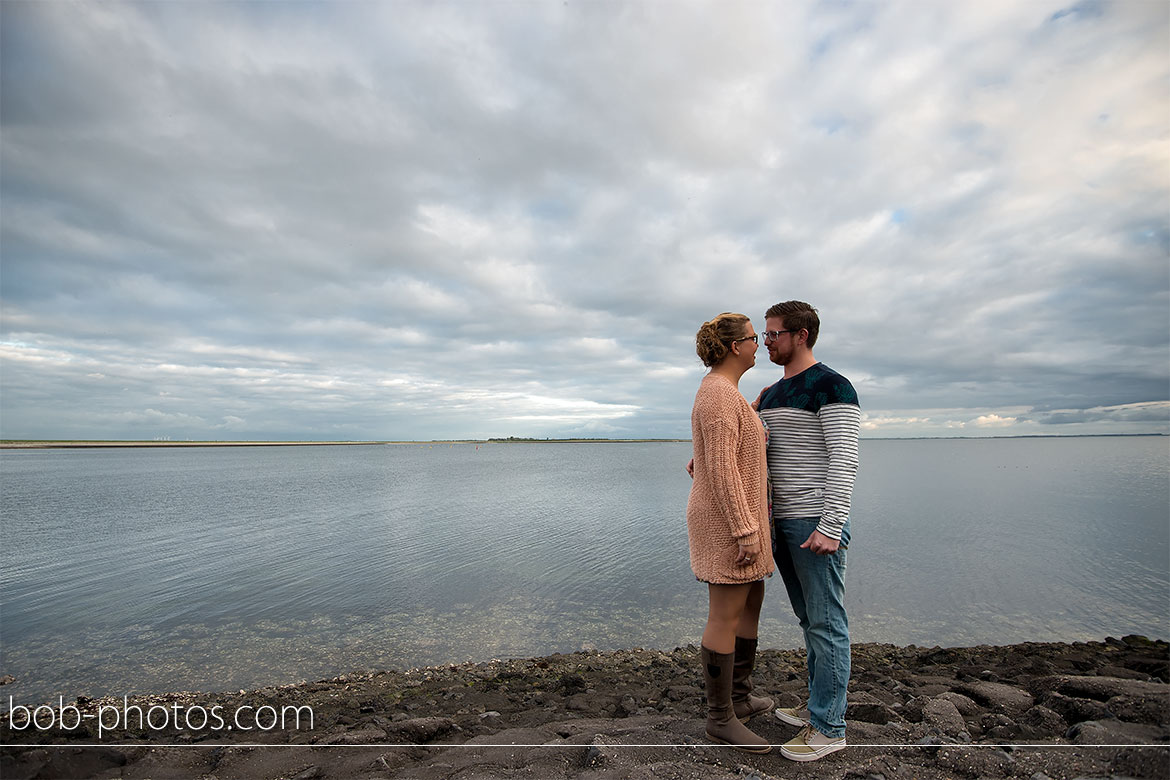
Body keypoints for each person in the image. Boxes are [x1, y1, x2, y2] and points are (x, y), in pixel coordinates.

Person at [754, 300, 860, 762]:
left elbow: (844, 459)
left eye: (773, 333)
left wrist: (831, 525)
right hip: (780, 520)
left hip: (815, 520)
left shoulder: (832, 386)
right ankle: (818, 706)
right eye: (763, 333)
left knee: (827, 622)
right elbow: (750, 444)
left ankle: (829, 728)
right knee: (809, 620)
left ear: (801, 335)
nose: (765, 341)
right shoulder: (773, 393)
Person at [686, 312, 776, 753]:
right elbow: (722, 471)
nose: (759, 344)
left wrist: (753, 412)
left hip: (739, 518)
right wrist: (744, 529)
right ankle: (719, 718)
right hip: (727, 524)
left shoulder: (729, 396)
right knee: (724, 614)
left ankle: (738, 699)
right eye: (754, 338)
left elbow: (721, 453)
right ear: (735, 346)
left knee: (751, 602)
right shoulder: (719, 396)